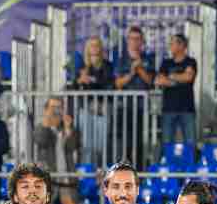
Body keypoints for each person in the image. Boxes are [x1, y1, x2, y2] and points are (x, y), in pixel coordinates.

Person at [31, 97, 81, 204]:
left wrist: (68, 129)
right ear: (46, 110)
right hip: (48, 179)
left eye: (59, 108)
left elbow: (73, 146)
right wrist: (47, 122)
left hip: (66, 178)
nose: (56, 111)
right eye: (53, 108)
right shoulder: (40, 128)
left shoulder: (69, 128)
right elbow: (41, 140)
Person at [113, 26, 155, 163]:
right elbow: (118, 83)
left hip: (142, 107)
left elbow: (150, 81)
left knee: (139, 140)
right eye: (132, 39)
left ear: (142, 41)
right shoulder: (121, 60)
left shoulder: (148, 59)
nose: (135, 42)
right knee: (124, 141)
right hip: (124, 107)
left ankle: (139, 170)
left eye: (138, 39)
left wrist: (140, 69)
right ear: (127, 41)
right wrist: (131, 72)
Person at [74, 35, 114, 166]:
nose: (94, 48)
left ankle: (100, 172)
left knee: (100, 145)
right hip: (85, 108)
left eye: (97, 45)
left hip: (102, 109)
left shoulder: (107, 65)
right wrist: (80, 80)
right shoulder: (81, 65)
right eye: (91, 45)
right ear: (87, 49)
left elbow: (109, 84)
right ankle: (87, 173)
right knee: (86, 145)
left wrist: (92, 80)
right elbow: (74, 86)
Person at [156, 33, 198, 144]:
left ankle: (190, 161)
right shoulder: (166, 63)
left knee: (190, 143)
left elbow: (188, 77)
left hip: (187, 109)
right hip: (169, 109)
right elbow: (159, 80)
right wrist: (180, 79)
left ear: (181, 45)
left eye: (172, 43)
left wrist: (171, 77)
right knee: (167, 143)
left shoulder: (191, 61)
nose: (170, 46)